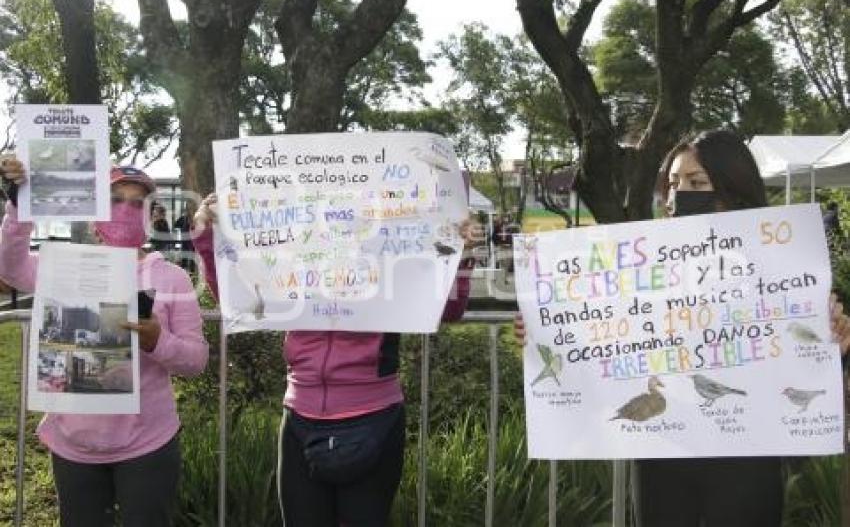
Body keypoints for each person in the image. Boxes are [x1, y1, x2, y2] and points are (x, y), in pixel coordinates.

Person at [513, 130, 850, 527]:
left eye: (697, 183)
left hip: (748, 455)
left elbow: (808, 365)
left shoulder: (790, 272)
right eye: (673, 184)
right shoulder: (641, 273)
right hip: (664, 452)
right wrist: (544, 333)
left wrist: (835, 345)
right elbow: (598, 342)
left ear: (733, 188)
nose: (678, 195)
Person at [191, 192, 477, 527]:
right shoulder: (292, 253)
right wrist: (209, 238)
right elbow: (238, 298)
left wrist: (460, 255)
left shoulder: (391, 252)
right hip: (299, 415)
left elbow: (450, 309)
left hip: (374, 418)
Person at [0, 158, 208, 527]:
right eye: (115, 199)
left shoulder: (172, 277)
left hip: (148, 445)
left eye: (137, 203)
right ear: (95, 210)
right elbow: (10, 266)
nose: (126, 209)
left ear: (149, 215)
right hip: (72, 445)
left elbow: (195, 361)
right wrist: (21, 203)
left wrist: (158, 342)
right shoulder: (65, 266)